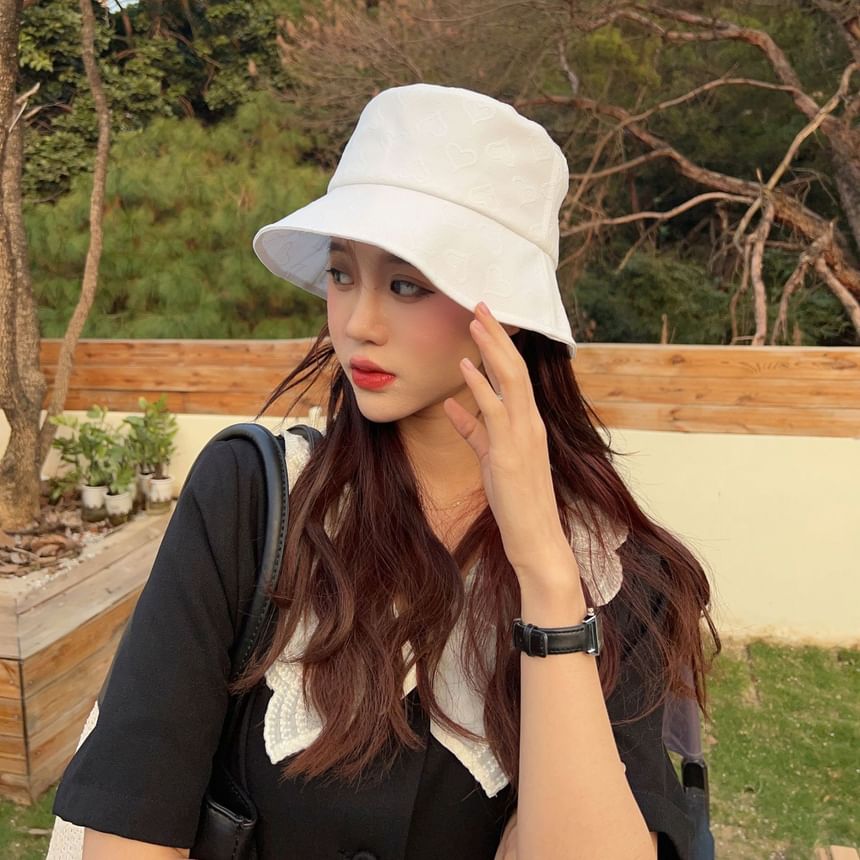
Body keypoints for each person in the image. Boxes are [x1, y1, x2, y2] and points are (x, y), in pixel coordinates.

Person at [49, 83, 719, 859]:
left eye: (405, 284)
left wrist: (545, 571)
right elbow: (132, 820)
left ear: (506, 310)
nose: (358, 324)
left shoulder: (615, 570)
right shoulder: (255, 501)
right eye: (342, 274)